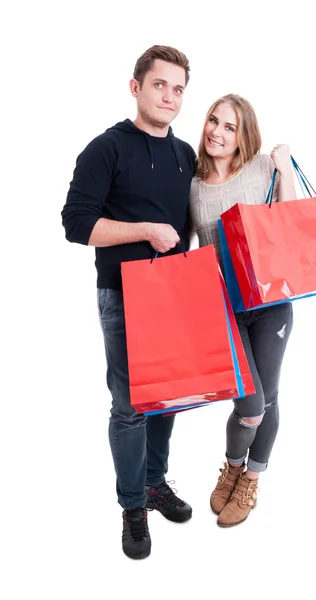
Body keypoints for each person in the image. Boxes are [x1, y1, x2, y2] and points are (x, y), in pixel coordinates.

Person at [61, 45, 196, 560]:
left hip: (175, 295)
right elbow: (76, 224)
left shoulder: (185, 155)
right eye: (159, 84)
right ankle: (133, 505)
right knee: (131, 403)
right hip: (122, 294)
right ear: (136, 87)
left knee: (169, 397)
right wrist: (145, 231)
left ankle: (156, 482)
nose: (169, 96)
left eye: (178, 88)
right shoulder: (105, 149)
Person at [189, 94, 296, 527]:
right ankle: (233, 464)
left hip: (270, 303)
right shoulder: (193, 185)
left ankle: (250, 478)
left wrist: (285, 168)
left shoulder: (260, 168)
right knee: (249, 406)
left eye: (229, 126)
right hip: (223, 308)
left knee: (267, 399)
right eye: (213, 121)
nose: (217, 131)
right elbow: (188, 250)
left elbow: (290, 220)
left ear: (243, 134)